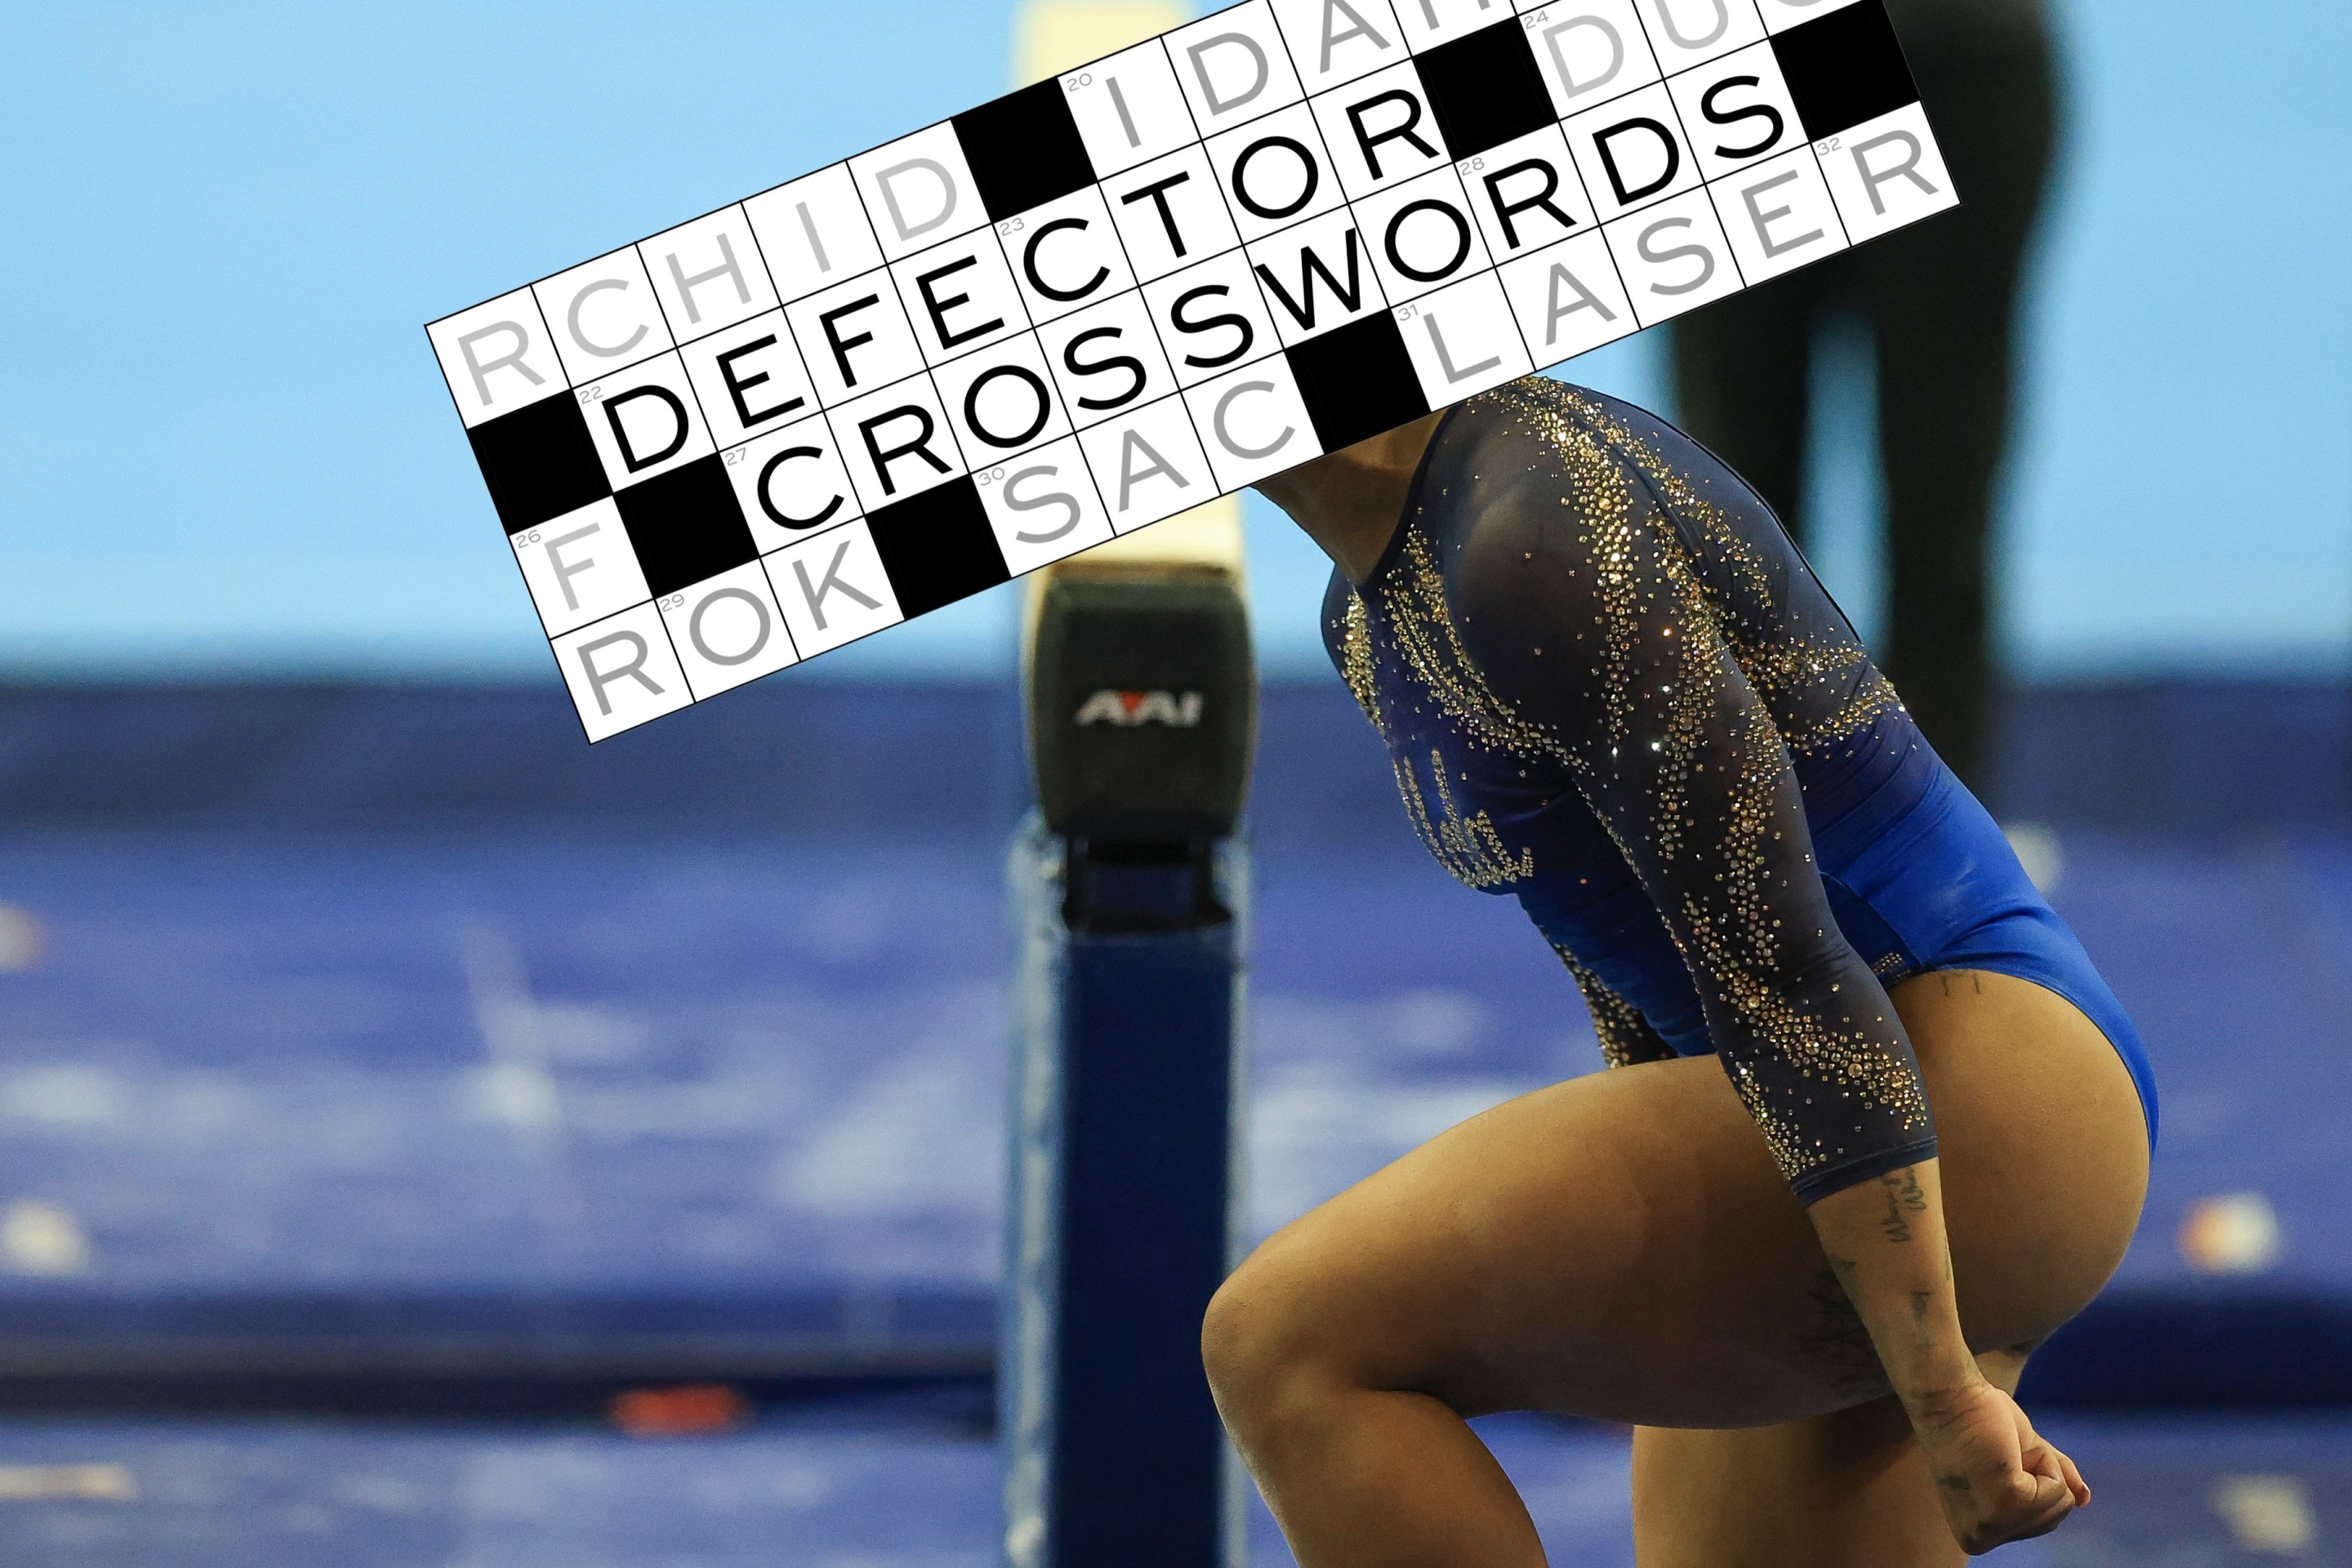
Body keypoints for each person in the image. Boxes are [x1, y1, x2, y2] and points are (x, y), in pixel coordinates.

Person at [1211, 378, 2155, 1566]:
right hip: (1846, 1105)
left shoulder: (1533, 530)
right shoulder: (1371, 609)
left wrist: (1941, 1390)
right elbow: (1629, 946)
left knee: (1287, 1339)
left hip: (1960, 1080)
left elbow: (1781, 965)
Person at [1672, 0, 2060, 792]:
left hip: (1957, 62)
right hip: (1728, 68)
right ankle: (1737, 842)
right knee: (1728, 506)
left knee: (1943, 500)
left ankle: (1943, 856)